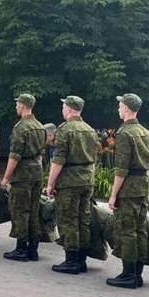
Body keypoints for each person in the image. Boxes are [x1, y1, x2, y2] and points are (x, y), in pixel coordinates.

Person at [46, 96, 100, 274]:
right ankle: (81, 259)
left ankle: (71, 260)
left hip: (69, 181)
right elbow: (94, 157)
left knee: (68, 219)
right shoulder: (89, 129)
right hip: (86, 179)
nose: (62, 109)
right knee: (83, 219)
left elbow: (58, 160)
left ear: (69, 109)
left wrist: (50, 183)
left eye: (63, 106)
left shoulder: (65, 129)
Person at [106, 93, 149, 288]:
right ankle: (137, 274)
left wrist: (113, 195)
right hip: (142, 184)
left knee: (126, 230)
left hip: (129, 187)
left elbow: (121, 169)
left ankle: (128, 275)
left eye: (120, 105)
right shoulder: (146, 133)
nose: (118, 109)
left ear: (126, 108)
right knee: (140, 230)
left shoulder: (125, 133)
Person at [0, 94, 47, 262]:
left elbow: (14, 156)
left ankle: (21, 249)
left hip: (22, 174)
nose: (16, 107)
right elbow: (40, 155)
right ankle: (33, 249)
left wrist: (6, 178)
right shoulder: (40, 127)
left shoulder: (21, 127)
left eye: (17, 104)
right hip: (36, 173)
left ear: (23, 106)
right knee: (34, 211)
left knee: (20, 211)